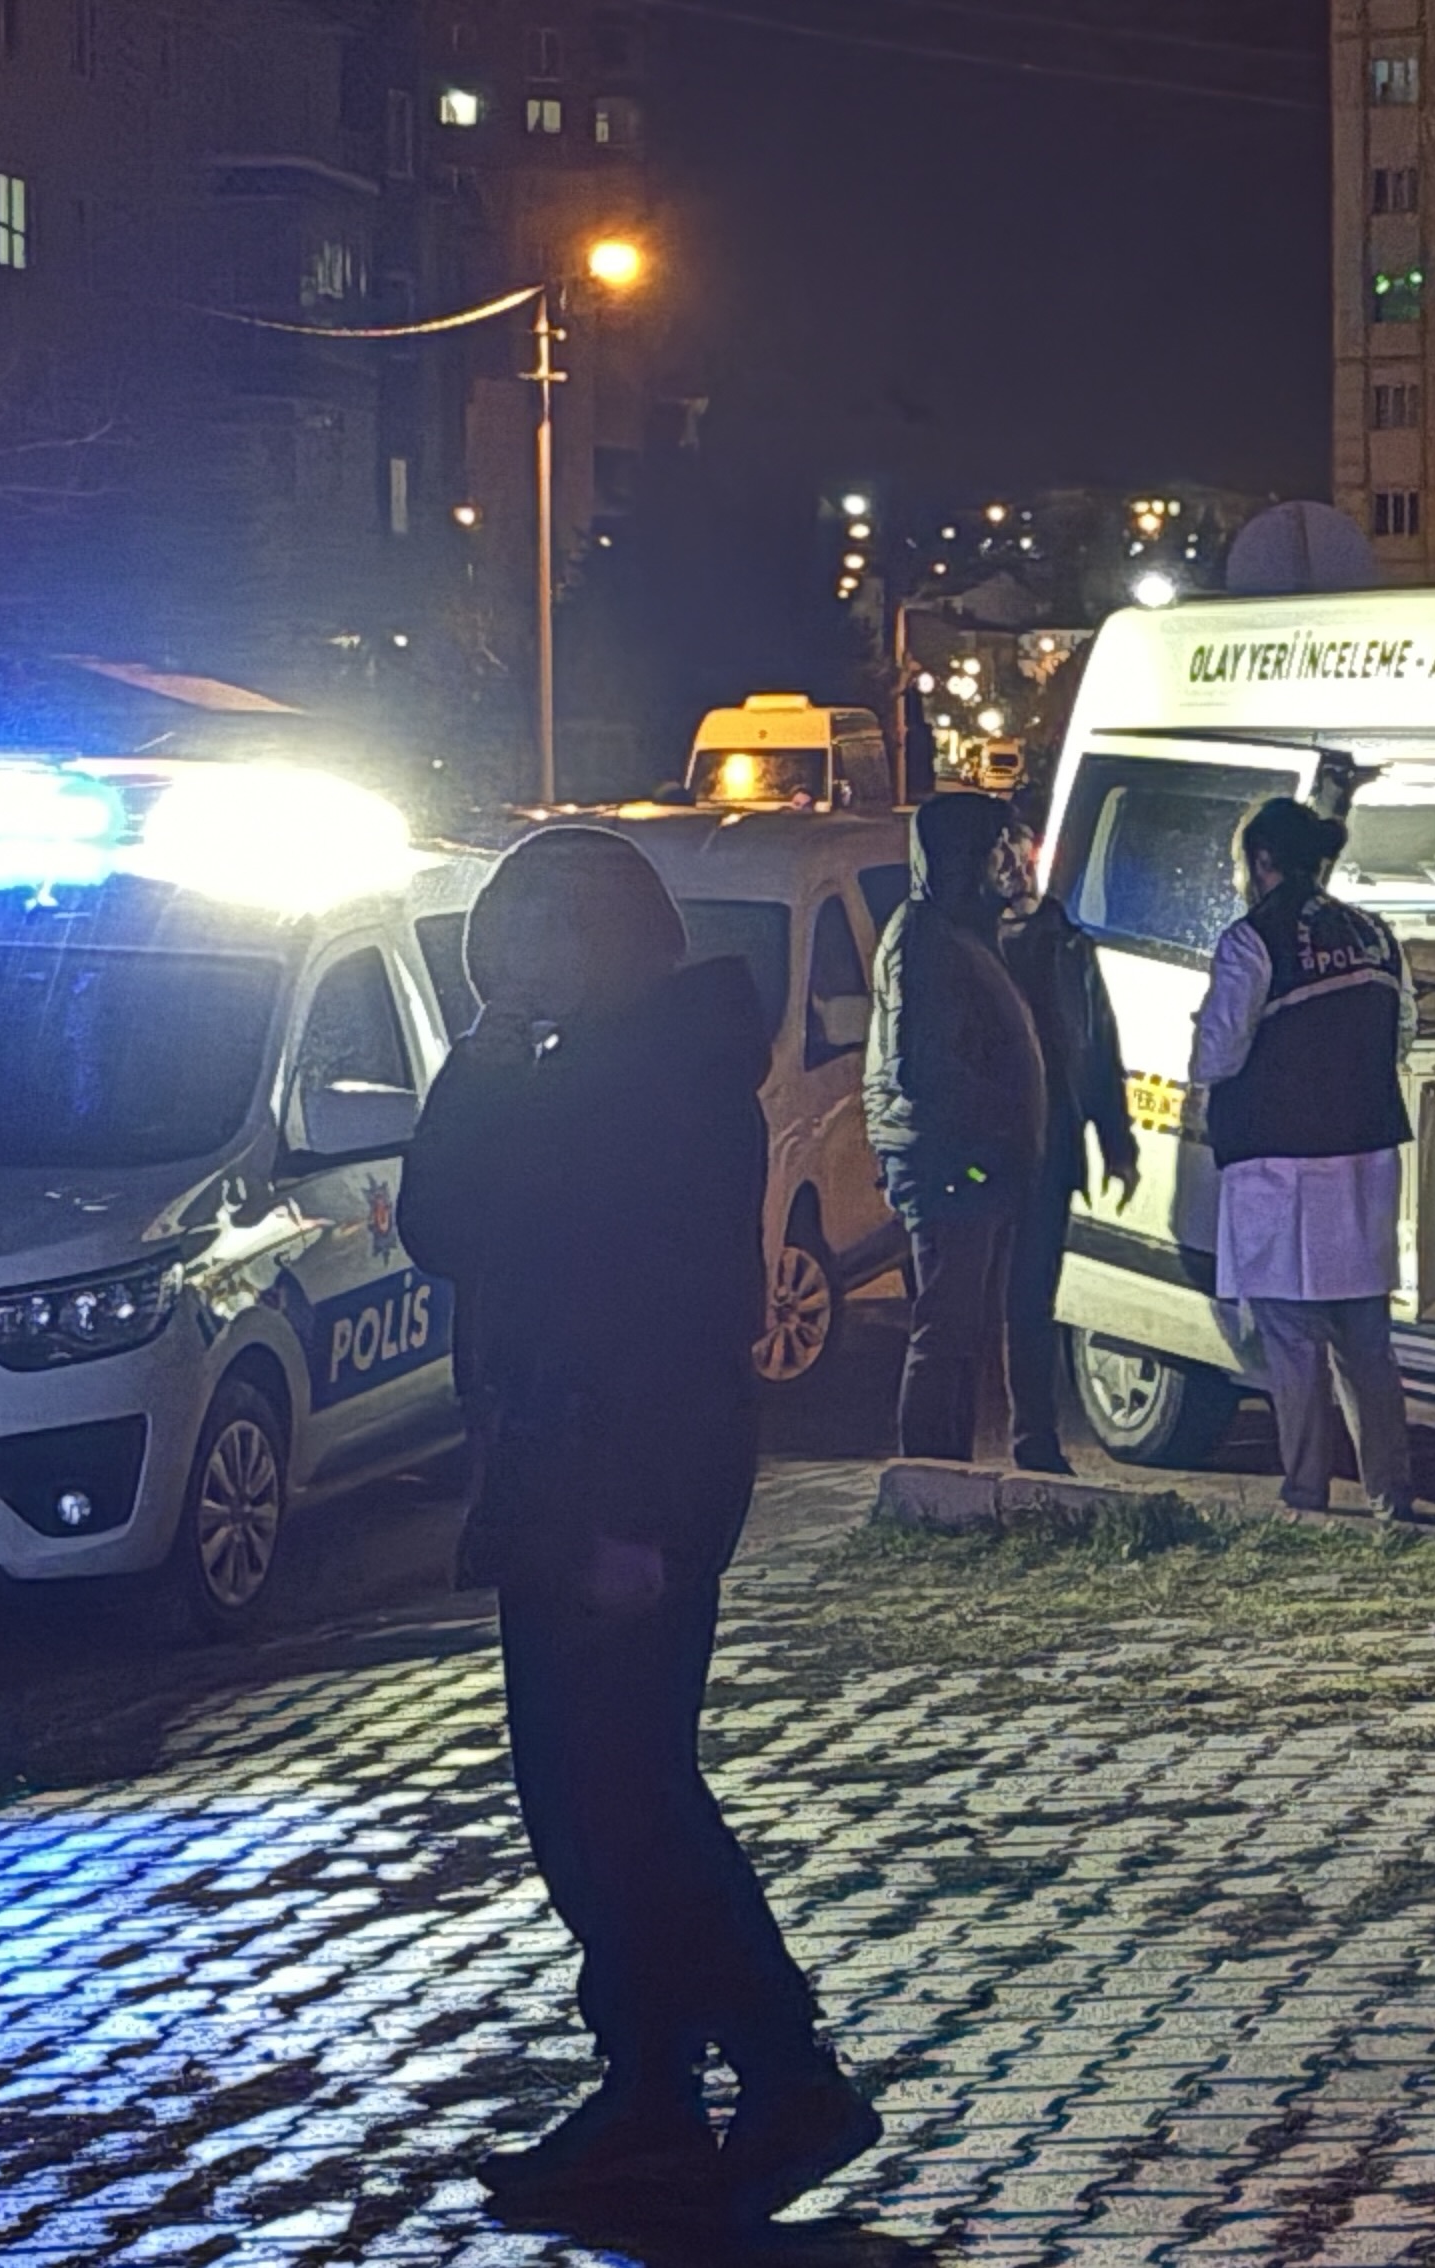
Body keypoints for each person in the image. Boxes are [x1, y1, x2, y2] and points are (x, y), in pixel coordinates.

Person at [398, 827, 877, 2229]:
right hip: (571, 1480)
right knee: (589, 1796)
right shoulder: (590, 1072)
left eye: (535, 936)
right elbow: (446, 1224)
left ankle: (779, 2069)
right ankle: (653, 2091)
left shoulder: (655, 1089)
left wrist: (634, 1523)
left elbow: (660, 1318)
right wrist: (486, 1060)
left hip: (616, 1486)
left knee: (624, 1797)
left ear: (599, 940)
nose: (514, 965)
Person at [1192, 798, 1419, 1519]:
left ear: (1262, 862)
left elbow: (1217, 1053)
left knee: (1292, 1345)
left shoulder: (1250, 941)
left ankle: (1306, 1495)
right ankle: (1391, 1496)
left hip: (1279, 1167)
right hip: (1365, 1162)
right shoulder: (1374, 934)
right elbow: (1402, 1034)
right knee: (1366, 1345)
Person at [865, 793, 1048, 1462]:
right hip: (953, 1164)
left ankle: (952, 1475)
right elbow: (927, 1066)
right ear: (964, 854)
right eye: (997, 844)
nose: (1009, 858)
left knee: (964, 1331)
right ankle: (929, 1479)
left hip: (973, 1161)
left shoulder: (956, 929)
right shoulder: (924, 939)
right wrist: (991, 1137)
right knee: (945, 1331)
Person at [997, 818, 1140, 1474]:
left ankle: (1035, 1437)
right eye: (998, 855)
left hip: (1051, 1146)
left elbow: (1098, 1047)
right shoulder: (964, 942)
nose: (1012, 868)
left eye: (1019, 855)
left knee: (1032, 1297)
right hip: (987, 1144)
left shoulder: (1068, 948)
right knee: (965, 1304)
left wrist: (1117, 1141)